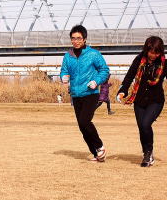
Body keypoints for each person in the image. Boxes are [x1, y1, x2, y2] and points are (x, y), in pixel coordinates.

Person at [60, 25, 109, 162]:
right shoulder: (68, 56)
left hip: (90, 93)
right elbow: (64, 70)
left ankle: (100, 147)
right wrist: (63, 76)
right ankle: (96, 154)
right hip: (76, 94)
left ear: (84, 39)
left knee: (84, 121)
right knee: (82, 126)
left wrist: (96, 81)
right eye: (73, 38)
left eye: (79, 38)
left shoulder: (93, 54)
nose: (76, 41)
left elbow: (104, 70)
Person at [116, 36, 166, 167]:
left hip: (156, 100)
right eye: (151, 52)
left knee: (145, 124)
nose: (153, 55)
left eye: (157, 52)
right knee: (142, 128)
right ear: (146, 50)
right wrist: (122, 91)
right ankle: (146, 154)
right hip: (139, 100)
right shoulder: (139, 60)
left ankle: (148, 153)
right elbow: (129, 76)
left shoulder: (163, 63)